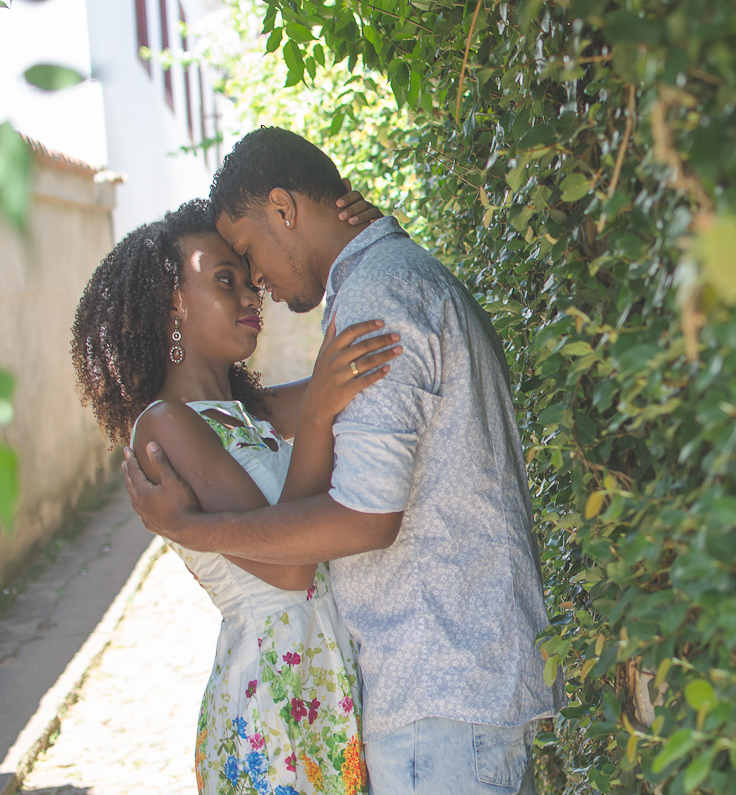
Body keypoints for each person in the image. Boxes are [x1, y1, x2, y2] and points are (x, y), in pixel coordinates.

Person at [121, 127, 565, 794]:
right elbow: (278, 449)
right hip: (365, 695)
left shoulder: (377, 299)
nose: (257, 288)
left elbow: (360, 517)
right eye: (229, 276)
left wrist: (186, 526)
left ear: (283, 208)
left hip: (434, 690)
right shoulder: (387, 285)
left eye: (247, 258)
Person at [72, 195, 400, 795]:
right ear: (173, 299)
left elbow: (357, 365)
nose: (254, 298)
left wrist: (359, 225)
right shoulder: (165, 426)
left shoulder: (251, 413)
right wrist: (322, 410)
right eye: (227, 281)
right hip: (270, 710)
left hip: (326, 687)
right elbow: (292, 565)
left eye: (250, 282)